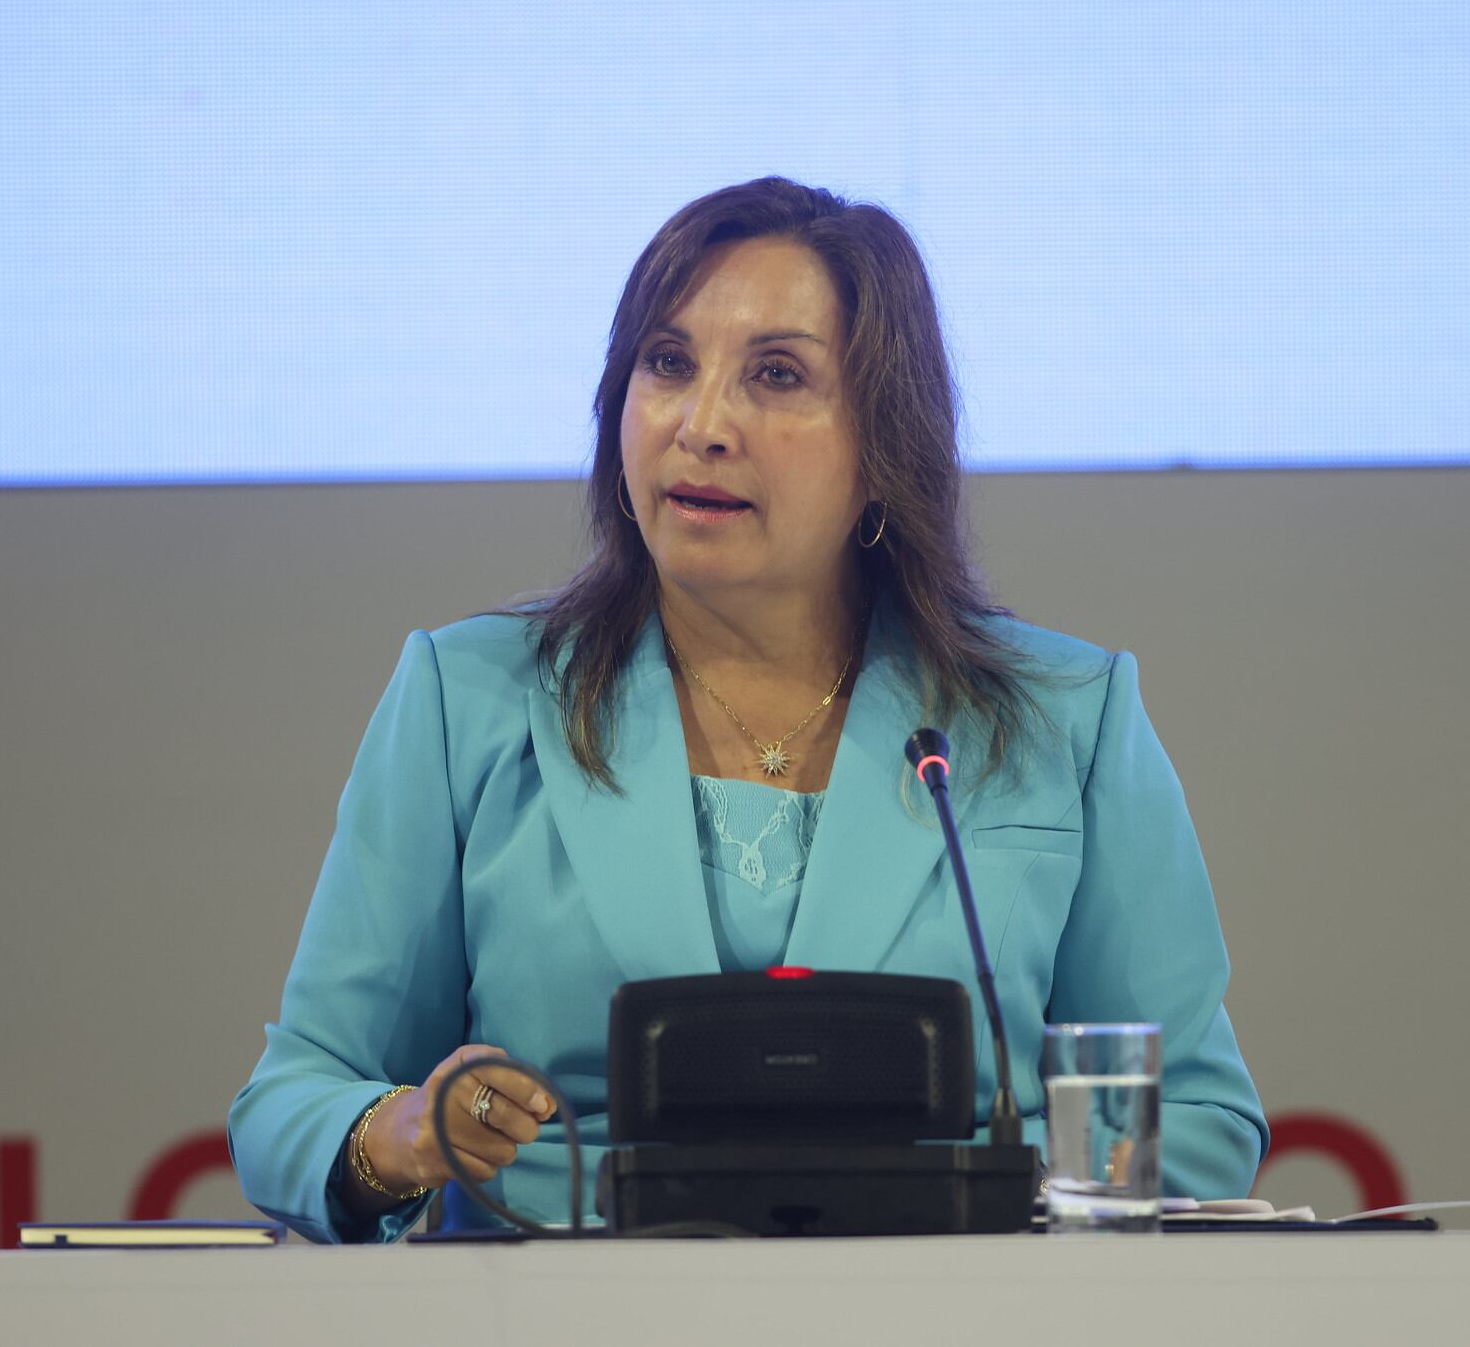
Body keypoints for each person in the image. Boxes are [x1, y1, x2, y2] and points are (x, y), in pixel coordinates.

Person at [228, 177, 1267, 1242]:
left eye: (776, 375)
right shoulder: (469, 698)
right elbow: (295, 1099)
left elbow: (1192, 1118)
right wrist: (399, 1137)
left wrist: (966, 1189)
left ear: (884, 446)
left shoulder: (1060, 720)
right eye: (667, 364)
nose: (702, 424)